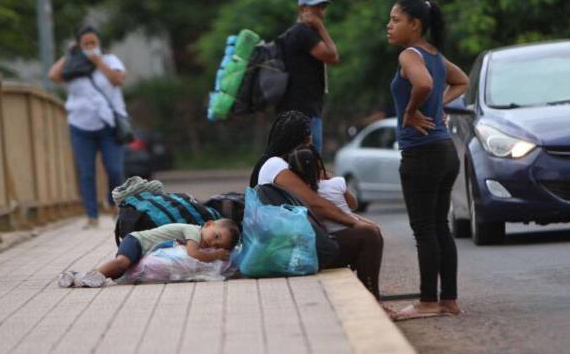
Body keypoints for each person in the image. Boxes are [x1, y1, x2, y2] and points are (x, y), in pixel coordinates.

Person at [250, 111, 390, 304]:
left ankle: (365, 299)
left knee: (369, 232)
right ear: (305, 138)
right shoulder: (275, 165)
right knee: (368, 237)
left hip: (293, 244)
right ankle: (375, 303)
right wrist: (354, 223)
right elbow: (315, 203)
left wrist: (358, 221)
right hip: (290, 250)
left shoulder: (281, 163)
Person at [387, 0, 469, 320]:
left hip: (422, 153)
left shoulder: (409, 54)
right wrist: (437, 107)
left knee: (424, 230)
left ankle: (427, 302)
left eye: (395, 20)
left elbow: (423, 83)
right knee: (439, 227)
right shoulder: (434, 54)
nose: (389, 26)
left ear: (415, 25)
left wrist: (411, 112)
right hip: (445, 152)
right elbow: (461, 81)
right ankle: (448, 300)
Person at [48, 25, 129, 229]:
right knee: (86, 172)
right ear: (79, 45)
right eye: (86, 44)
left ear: (99, 43)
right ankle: (92, 215)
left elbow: (118, 79)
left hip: (108, 124)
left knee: (114, 169)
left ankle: (113, 205)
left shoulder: (109, 60)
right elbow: (53, 76)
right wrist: (70, 53)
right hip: (80, 125)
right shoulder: (72, 64)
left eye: (94, 43)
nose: (91, 47)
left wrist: (97, 61)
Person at [58, 219, 240, 288]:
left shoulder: (197, 236)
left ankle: (75, 276)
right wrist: (214, 255)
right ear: (208, 224)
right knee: (121, 263)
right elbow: (193, 254)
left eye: (218, 244)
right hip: (137, 241)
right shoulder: (193, 232)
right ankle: (93, 274)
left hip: (142, 248)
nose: (213, 242)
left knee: (120, 271)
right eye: (216, 235)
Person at [276, 0, 340, 154]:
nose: (320, 12)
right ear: (303, 9)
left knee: (294, 160)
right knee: (310, 161)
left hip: (290, 110)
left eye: (322, 7)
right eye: (315, 7)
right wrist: (321, 28)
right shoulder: (303, 33)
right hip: (305, 111)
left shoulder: (290, 33)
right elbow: (333, 56)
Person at [286, 144, 375, 232]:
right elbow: (354, 205)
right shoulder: (336, 183)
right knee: (373, 229)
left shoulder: (297, 194)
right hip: (349, 231)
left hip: (325, 236)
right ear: (318, 166)